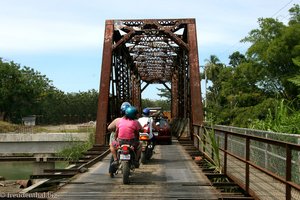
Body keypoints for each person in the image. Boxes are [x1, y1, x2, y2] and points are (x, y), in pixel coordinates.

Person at [107, 102, 131, 166]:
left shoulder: (117, 120)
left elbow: (109, 128)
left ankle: (115, 159)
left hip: (119, 142)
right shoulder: (133, 121)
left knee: (112, 145)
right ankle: (136, 160)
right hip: (130, 142)